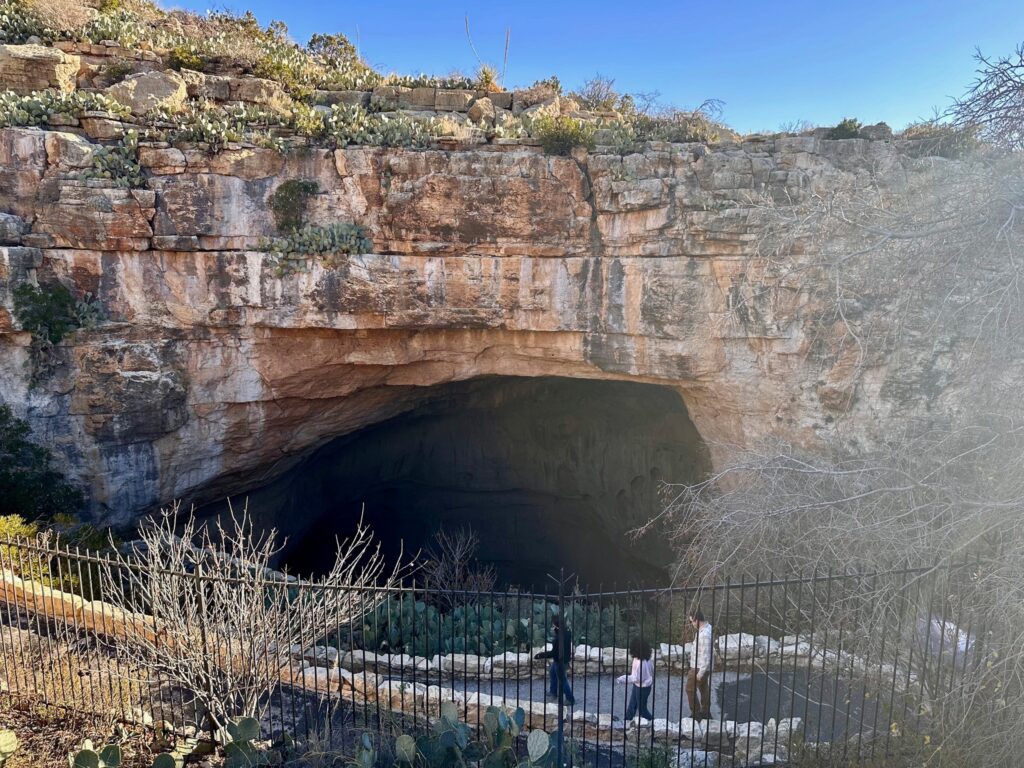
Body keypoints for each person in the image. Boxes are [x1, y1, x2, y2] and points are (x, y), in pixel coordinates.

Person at [533, 613, 575, 706]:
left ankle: (570, 698)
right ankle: (553, 693)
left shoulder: (557, 639)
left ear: (556, 626)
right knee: (552, 673)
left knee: (562, 680)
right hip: (564, 659)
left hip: (560, 661)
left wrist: (540, 655)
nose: (552, 627)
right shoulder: (567, 633)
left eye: (553, 625)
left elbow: (553, 653)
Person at [616, 637, 655, 724]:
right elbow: (652, 670)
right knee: (633, 704)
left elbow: (636, 678)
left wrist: (622, 679)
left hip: (642, 687)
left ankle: (653, 722)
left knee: (642, 709)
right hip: (643, 686)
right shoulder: (646, 659)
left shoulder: (640, 663)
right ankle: (626, 721)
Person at [686, 609, 713, 720]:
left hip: (699, 667)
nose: (692, 624)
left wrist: (700, 673)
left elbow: (706, 656)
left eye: (692, 621)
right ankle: (706, 712)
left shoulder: (704, 634)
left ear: (697, 620)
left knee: (690, 689)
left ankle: (696, 714)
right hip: (701, 666)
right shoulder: (707, 628)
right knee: (703, 688)